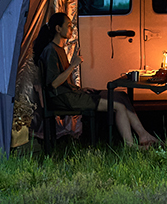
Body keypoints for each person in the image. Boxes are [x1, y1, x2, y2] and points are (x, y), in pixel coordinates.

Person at [33, 12, 157, 149]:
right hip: (65, 99)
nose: (71, 29)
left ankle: (143, 134)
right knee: (118, 106)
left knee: (121, 96)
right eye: (68, 26)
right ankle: (130, 146)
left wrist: (80, 89)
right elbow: (54, 83)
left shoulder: (59, 49)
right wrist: (73, 65)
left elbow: (63, 81)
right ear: (58, 28)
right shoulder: (51, 50)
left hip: (71, 94)